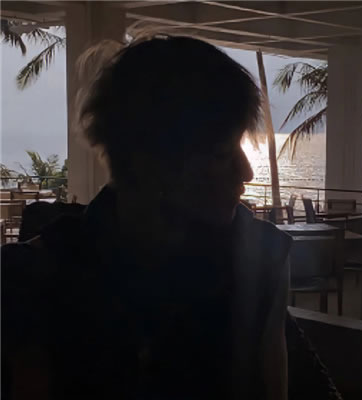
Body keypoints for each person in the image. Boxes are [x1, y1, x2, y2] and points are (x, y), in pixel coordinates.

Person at [2, 36, 341, 400]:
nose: (246, 172)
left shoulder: (260, 258)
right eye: (221, 154)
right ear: (150, 165)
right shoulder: (35, 278)